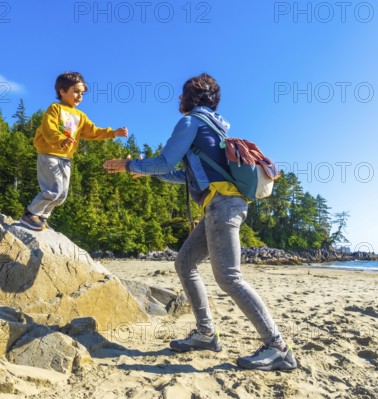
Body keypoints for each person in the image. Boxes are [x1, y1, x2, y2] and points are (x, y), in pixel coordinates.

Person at [103, 73, 297, 371]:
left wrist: (130, 164)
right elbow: (183, 175)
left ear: (192, 98)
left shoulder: (191, 122)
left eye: (182, 95)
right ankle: (206, 334)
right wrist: (144, 170)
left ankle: (278, 347)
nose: (178, 100)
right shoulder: (213, 127)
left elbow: (165, 162)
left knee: (229, 277)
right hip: (218, 206)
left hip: (222, 207)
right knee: (184, 263)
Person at [20, 72, 128, 230]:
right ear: (62, 91)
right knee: (53, 189)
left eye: (82, 93)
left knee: (62, 195)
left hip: (66, 158)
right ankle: (30, 214)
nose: (79, 96)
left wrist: (113, 133)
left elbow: (94, 131)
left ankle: (42, 217)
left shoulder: (80, 116)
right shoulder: (55, 108)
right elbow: (48, 129)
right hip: (49, 154)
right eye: (76, 91)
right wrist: (61, 139)